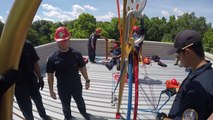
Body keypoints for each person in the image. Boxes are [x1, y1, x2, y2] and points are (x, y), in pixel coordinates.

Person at [156, 29, 213, 120]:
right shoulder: (205, 72)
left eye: (178, 54)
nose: (177, 57)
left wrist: (162, 118)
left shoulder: (196, 92)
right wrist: (180, 90)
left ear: (187, 52)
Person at [46, 27, 91, 120]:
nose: (63, 43)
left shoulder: (77, 54)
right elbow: (50, 76)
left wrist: (87, 80)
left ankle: (83, 113)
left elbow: (83, 68)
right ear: (56, 41)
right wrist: (51, 90)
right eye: (60, 41)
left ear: (69, 39)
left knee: (80, 101)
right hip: (62, 87)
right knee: (65, 105)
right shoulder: (52, 58)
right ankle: (68, 117)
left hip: (76, 85)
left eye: (65, 40)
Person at [15, 40, 52, 120]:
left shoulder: (28, 44)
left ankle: (43, 115)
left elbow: (35, 62)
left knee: (38, 100)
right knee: (25, 107)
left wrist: (40, 77)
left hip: (31, 79)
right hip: (18, 85)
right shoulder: (7, 46)